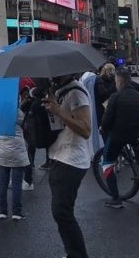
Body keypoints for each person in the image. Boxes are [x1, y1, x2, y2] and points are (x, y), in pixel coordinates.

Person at [43, 73, 93, 258]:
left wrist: (59, 112)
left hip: (71, 159)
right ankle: (73, 253)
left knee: (61, 211)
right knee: (61, 212)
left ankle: (77, 254)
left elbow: (86, 130)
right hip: (58, 156)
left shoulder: (77, 92)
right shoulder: (59, 90)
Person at [100, 69, 139, 208]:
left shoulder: (115, 97)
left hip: (119, 134)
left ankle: (116, 199)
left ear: (120, 82)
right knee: (138, 152)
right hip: (137, 132)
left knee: (107, 161)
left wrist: (103, 128)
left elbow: (107, 119)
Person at [0, 92, 30, 220]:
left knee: (2, 182)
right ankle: (16, 211)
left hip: (2, 151)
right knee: (16, 183)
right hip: (17, 152)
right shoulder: (18, 113)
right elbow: (25, 126)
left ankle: (2, 211)